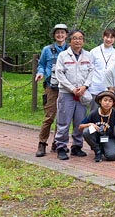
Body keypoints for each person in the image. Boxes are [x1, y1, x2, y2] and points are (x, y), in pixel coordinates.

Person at [53, 29, 94, 160]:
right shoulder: (63, 56)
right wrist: (71, 88)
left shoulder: (88, 55)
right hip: (66, 93)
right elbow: (60, 74)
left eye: (80, 38)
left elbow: (91, 72)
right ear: (70, 40)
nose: (78, 41)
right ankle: (61, 147)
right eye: (75, 38)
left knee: (80, 121)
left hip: (82, 93)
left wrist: (84, 87)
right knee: (63, 121)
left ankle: (77, 146)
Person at [34, 23, 68, 157]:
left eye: (62, 33)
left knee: (63, 117)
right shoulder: (47, 50)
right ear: (54, 35)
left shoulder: (70, 50)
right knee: (49, 116)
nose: (60, 35)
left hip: (66, 87)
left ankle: (58, 142)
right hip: (51, 87)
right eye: (57, 33)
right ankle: (42, 143)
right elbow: (41, 64)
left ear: (66, 35)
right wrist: (40, 73)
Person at [79, 90, 115, 162]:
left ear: (113, 103)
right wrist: (90, 124)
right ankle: (97, 151)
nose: (107, 103)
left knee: (111, 156)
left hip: (108, 138)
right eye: (105, 100)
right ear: (100, 101)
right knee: (86, 131)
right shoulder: (93, 113)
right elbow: (80, 126)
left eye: (110, 101)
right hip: (95, 137)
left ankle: (104, 148)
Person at [88, 28, 115, 102]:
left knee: (107, 111)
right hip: (95, 87)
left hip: (109, 88)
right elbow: (89, 69)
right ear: (103, 37)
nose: (109, 39)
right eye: (107, 37)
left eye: (111, 37)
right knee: (93, 111)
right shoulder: (94, 51)